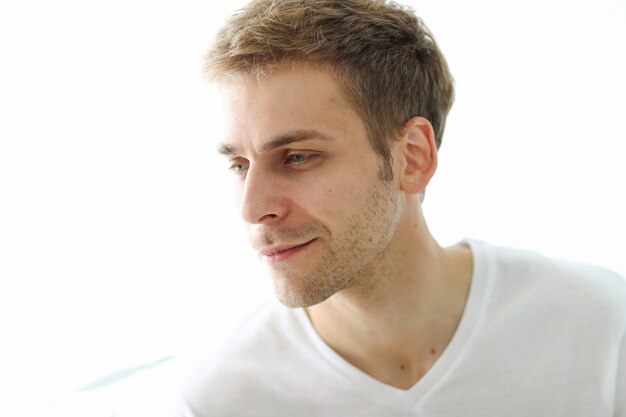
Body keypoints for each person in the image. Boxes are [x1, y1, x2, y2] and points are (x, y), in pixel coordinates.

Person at [178, 0, 626, 415]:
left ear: (412, 157)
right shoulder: (226, 397)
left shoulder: (600, 326)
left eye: (297, 157)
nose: (252, 209)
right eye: (238, 165)